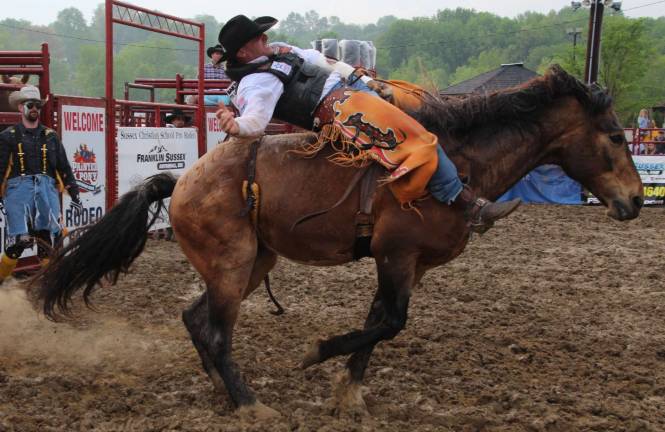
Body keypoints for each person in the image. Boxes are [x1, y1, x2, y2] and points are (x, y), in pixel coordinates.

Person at [215, 15, 520, 232]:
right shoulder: (256, 83)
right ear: (244, 51)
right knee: (412, 136)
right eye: (258, 37)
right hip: (338, 109)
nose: (265, 38)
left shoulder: (275, 53)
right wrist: (236, 126)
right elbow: (255, 121)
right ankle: (467, 204)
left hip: (353, 89)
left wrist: (359, 77)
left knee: (418, 100)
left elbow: (316, 59)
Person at [0, 86, 81, 282]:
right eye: (30, 104)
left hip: (45, 190)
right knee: (21, 240)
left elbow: (63, 166)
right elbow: (0, 168)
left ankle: (50, 284)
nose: (34, 108)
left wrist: (74, 190)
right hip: (19, 191)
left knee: (45, 239)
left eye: (37, 105)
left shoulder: (51, 136)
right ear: (21, 108)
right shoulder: (8, 136)